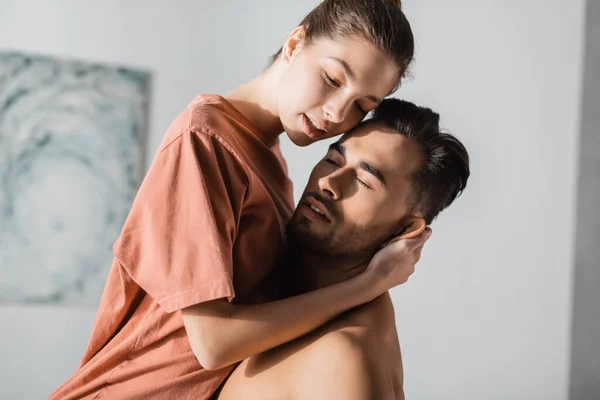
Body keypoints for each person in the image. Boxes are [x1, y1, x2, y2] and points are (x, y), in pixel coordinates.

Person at [49, 1, 429, 399]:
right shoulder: (204, 142)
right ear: (295, 43)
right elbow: (213, 343)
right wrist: (369, 285)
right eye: (333, 79)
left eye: (361, 106)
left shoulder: (268, 162)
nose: (337, 114)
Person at [215, 99, 470, 400]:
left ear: (405, 230)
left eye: (364, 181)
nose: (328, 183)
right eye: (334, 161)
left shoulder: (341, 360)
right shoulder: (281, 279)